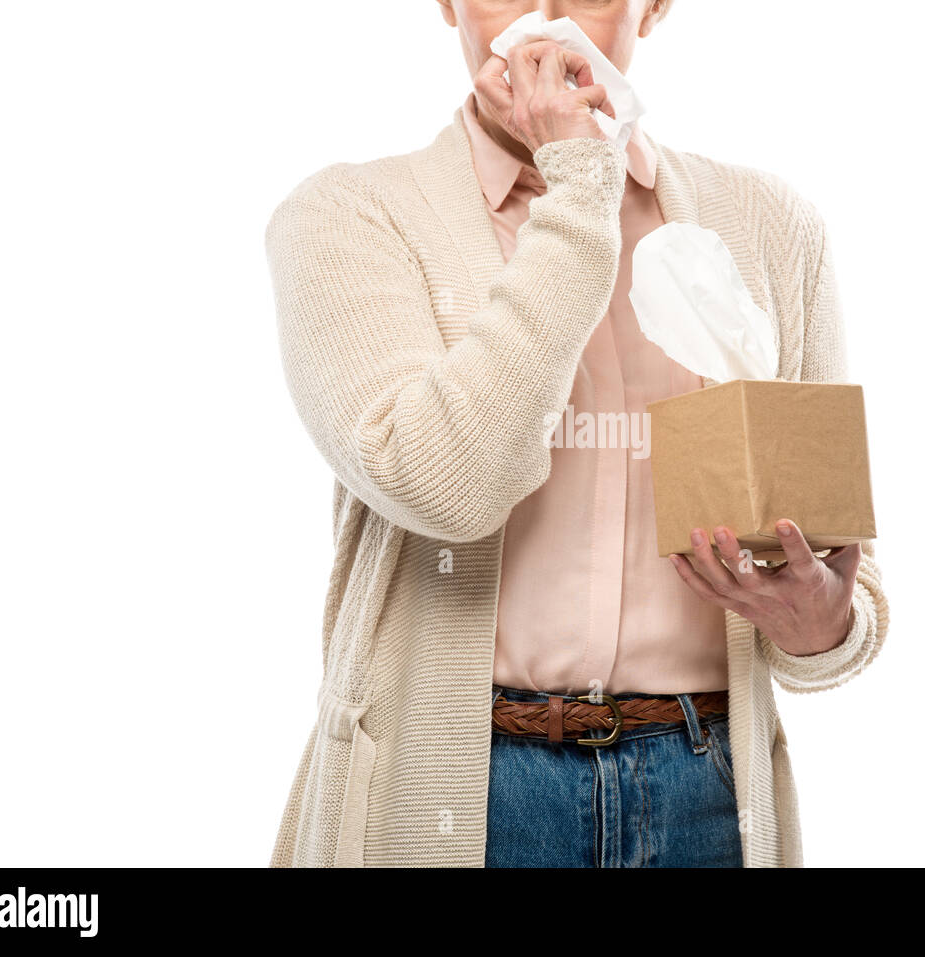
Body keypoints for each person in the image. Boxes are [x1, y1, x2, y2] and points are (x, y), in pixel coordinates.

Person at [264, 0, 889, 868]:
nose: (546, 20)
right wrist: (580, 184)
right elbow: (441, 483)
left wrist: (817, 622)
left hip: (706, 790)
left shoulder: (769, 227)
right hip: (463, 790)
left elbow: (842, 588)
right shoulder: (351, 215)